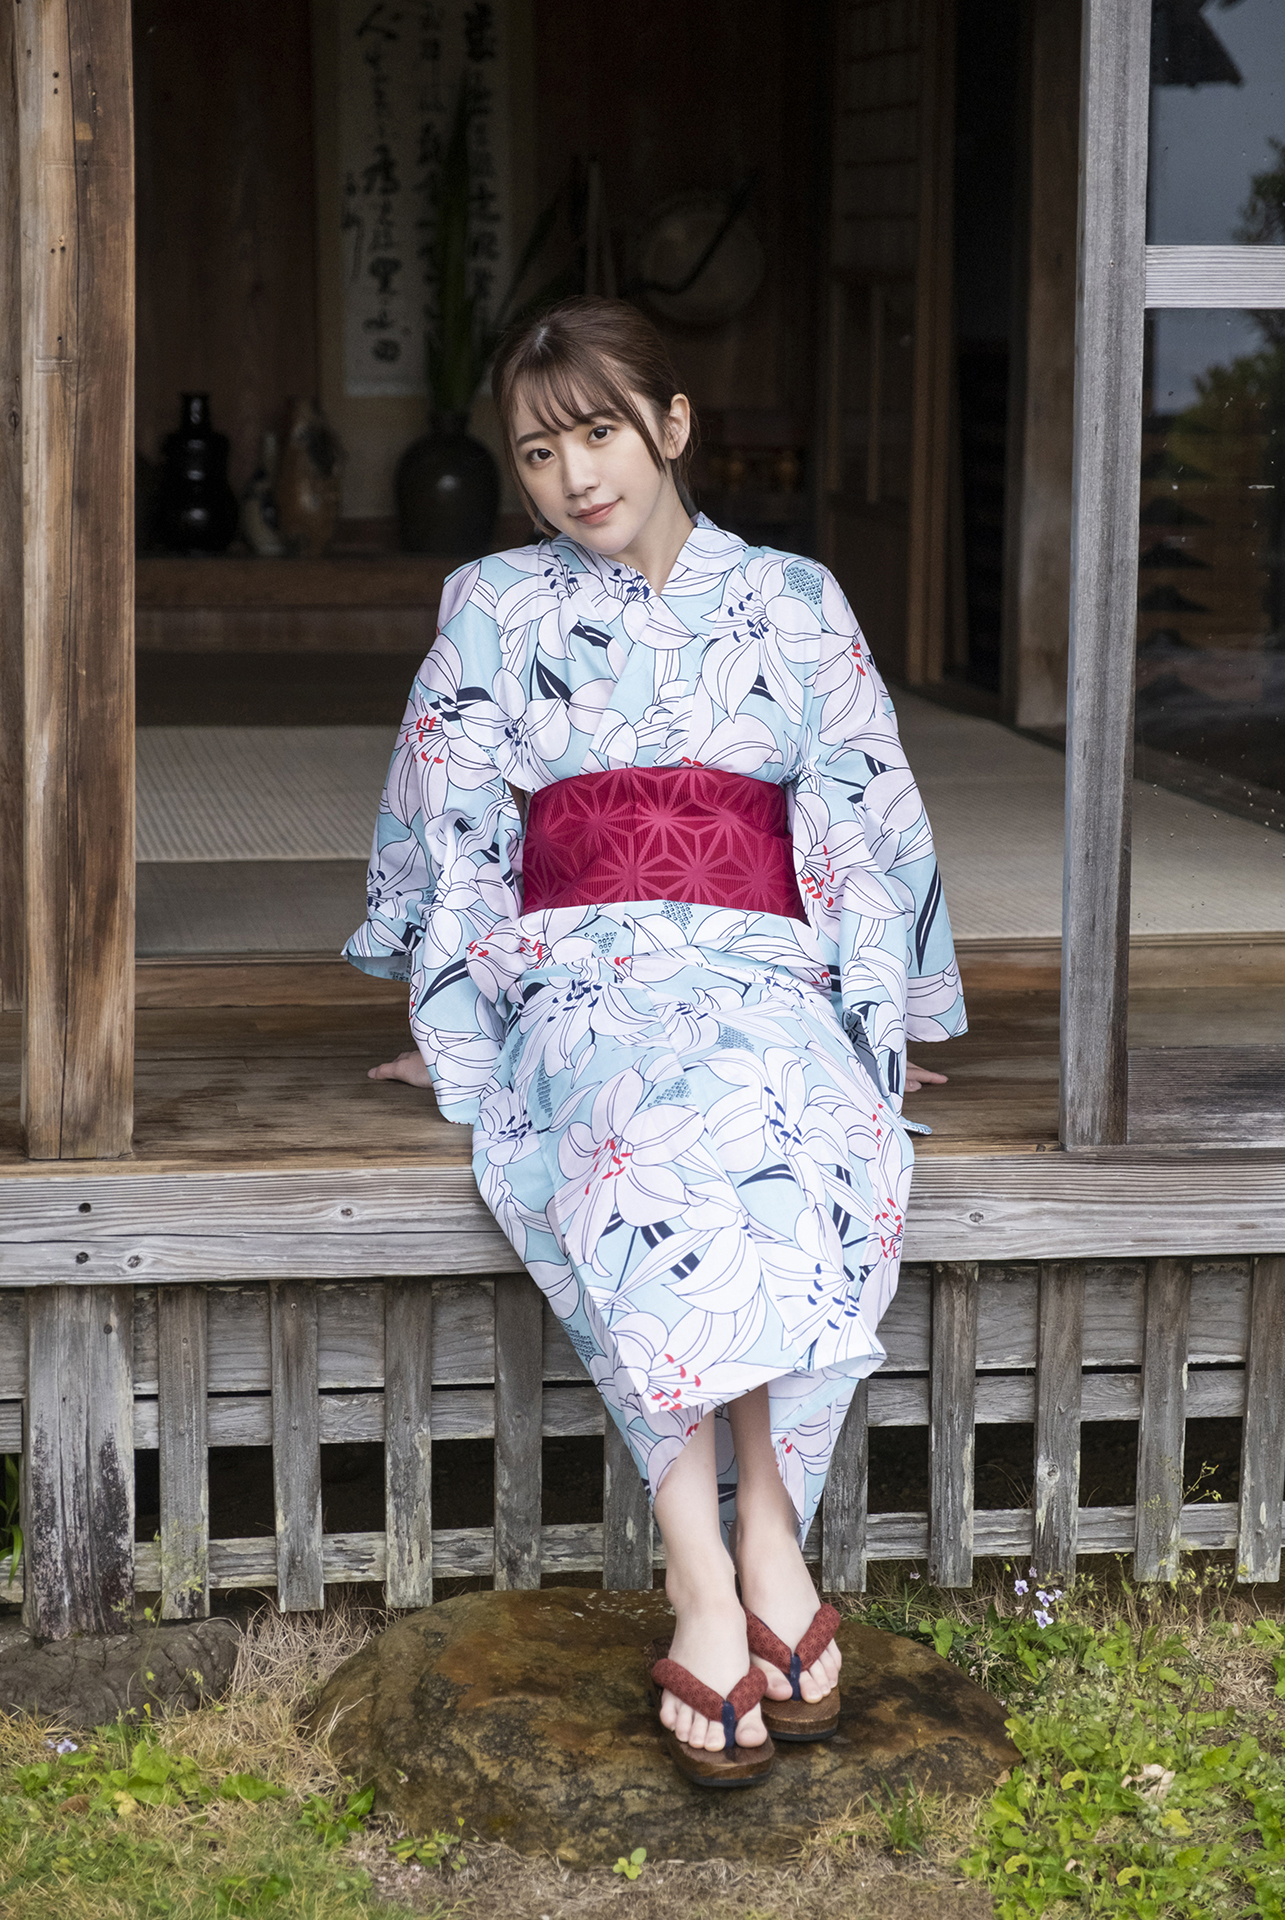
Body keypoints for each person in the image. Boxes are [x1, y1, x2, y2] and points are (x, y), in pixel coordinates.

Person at [348, 296, 964, 1785]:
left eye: (601, 433)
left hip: (763, 963)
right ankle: (711, 1570)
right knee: (648, 1131)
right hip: (577, 970)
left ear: (672, 426)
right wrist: (454, 1012)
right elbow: (455, 818)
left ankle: (766, 1537)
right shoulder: (493, 603)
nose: (573, 476)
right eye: (537, 451)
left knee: (793, 1122)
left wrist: (880, 1010)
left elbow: (861, 808)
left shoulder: (794, 599)